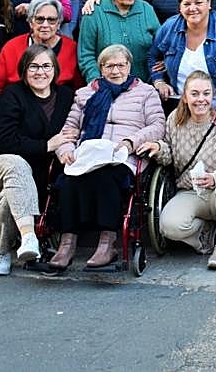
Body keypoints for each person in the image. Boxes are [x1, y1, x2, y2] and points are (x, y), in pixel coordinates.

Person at [49, 44, 165, 270]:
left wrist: (131, 142)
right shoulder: (85, 93)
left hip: (123, 155)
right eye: (109, 66)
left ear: (129, 66)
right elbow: (69, 128)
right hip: (88, 152)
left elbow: (157, 125)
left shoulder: (146, 92)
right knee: (70, 179)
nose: (115, 71)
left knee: (106, 176)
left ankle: (107, 243)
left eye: (121, 65)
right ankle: (67, 243)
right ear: (100, 68)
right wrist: (65, 151)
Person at [134, 71, 216, 270]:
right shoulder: (174, 120)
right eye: (195, 94)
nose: (201, 99)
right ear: (185, 97)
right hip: (190, 191)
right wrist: (158, 148)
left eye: (206, 94)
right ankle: (205, 234)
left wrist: (215, 177)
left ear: (212, 96)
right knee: (169, 226)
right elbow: (169, 156)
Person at [0, 43, 75, 274]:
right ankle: (21, 242)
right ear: (24, 70)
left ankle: (4, 251)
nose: (40, 72)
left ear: (55, 69)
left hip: (44, 169)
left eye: (46, 66)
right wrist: (47, 145)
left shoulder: (66, 97)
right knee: (18, 167)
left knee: (9, 195)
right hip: (0, 164)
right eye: (33, 66)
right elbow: (4, 143)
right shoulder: (12, 95)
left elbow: (74, 127)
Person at [0, 0, 82, 115]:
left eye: (51, 20)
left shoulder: (72, 48)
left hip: (60, 117)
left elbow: (79, 91)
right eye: (40, 19)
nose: (45, 25)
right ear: (31, 22)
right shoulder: (12, 47)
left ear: (58, 24)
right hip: (17, 115)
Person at [76, 0, 159, 84]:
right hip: (106, 86)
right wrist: (97, 83)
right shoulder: (94, 11)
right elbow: (86, 54)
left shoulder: (146, 9)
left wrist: (159, 74)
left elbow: (160, 46)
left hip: (145, 86)